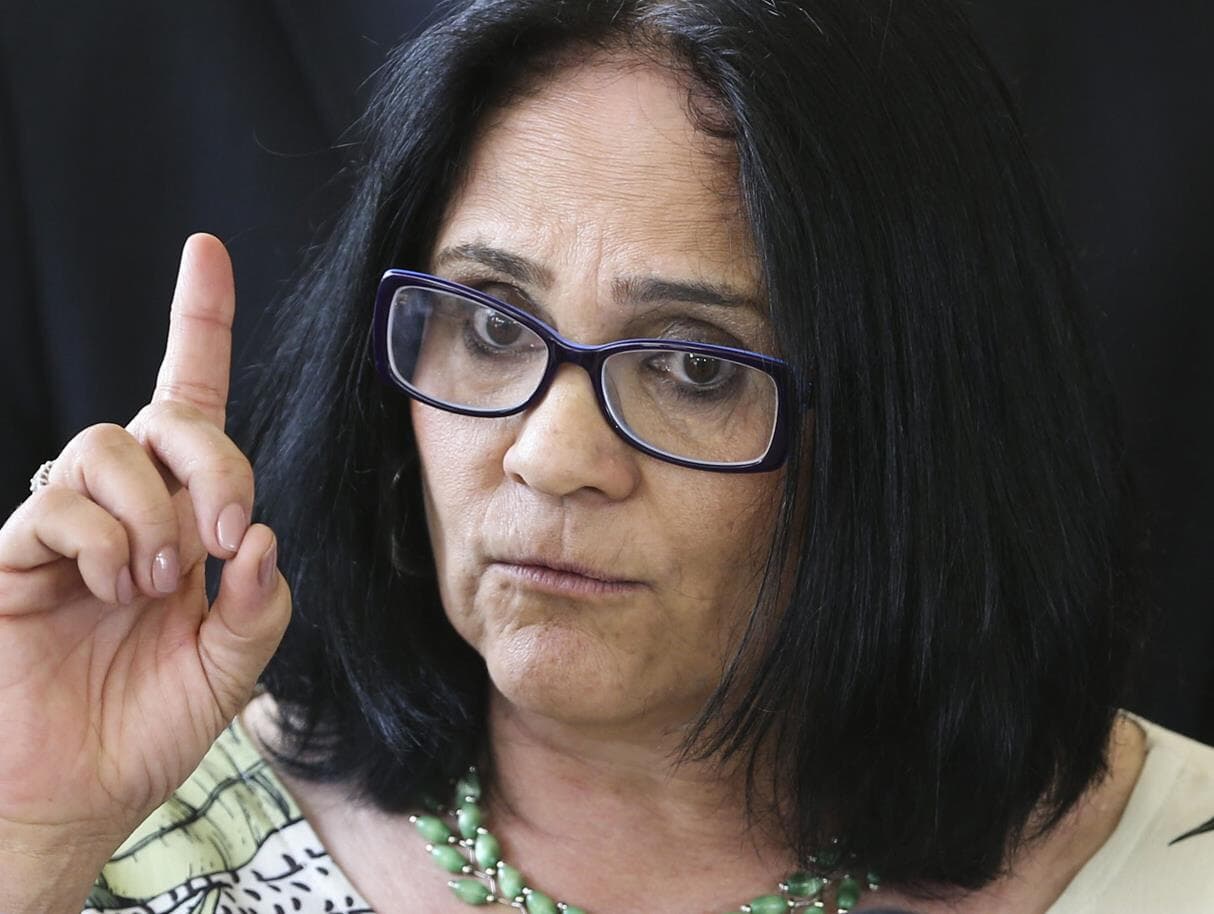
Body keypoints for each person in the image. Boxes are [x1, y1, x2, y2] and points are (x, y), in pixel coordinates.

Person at [1, 1, 1212, 913]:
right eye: (489, 326)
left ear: (914, 427)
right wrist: (28, 834)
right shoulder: (123, 811)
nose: (550, 455)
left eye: (693, 366)